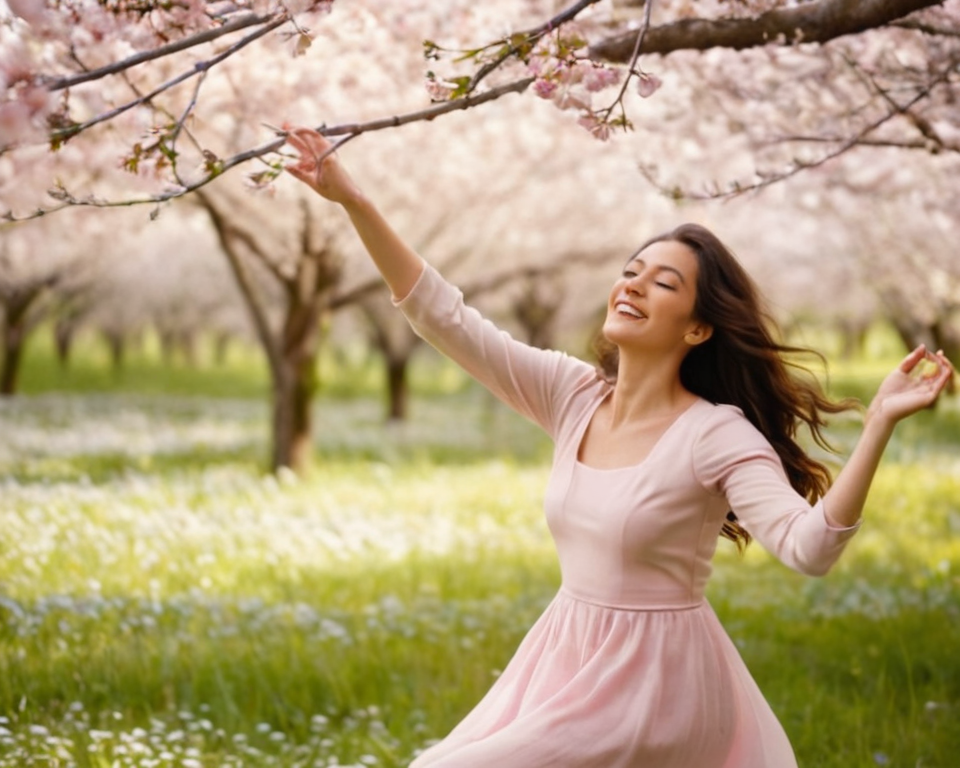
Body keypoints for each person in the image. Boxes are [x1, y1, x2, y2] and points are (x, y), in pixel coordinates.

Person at [283, 127, 955, 768]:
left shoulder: (714, 433)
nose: (632, 284)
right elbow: (444, 316)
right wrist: (356, 203)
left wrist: (879, 426)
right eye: (632, 271)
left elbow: (809, 549)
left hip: (658, 684)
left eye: (663, 283)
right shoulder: (571, 395)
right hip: (566, 658)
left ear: (697, 330)